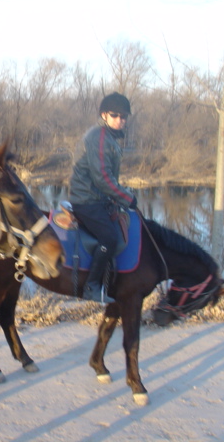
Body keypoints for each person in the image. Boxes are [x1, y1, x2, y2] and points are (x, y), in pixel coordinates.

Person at [69, 92, 137, 303]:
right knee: (109, 237)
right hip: (87, 200)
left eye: (123, 116)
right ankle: (92, 286)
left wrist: (121, 195)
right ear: (104, 115)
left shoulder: (109, 138)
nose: (120, 120)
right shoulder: (98, 137)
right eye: (115, 115)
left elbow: (108, 179)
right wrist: (127, 197)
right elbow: (102, 179)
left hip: (98, 198)